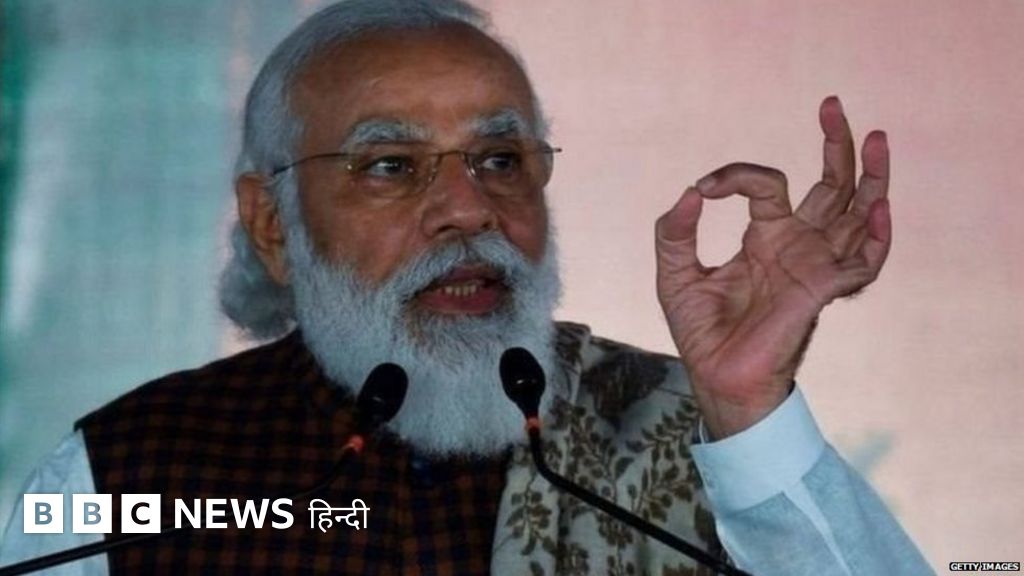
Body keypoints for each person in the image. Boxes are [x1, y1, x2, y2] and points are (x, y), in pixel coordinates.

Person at [1, 1, 933, 574]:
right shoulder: (119, 474)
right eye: (390, 166)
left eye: (499, 159)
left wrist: (749, 411)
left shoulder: (693, 430)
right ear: (273, 223)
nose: (467, 209)